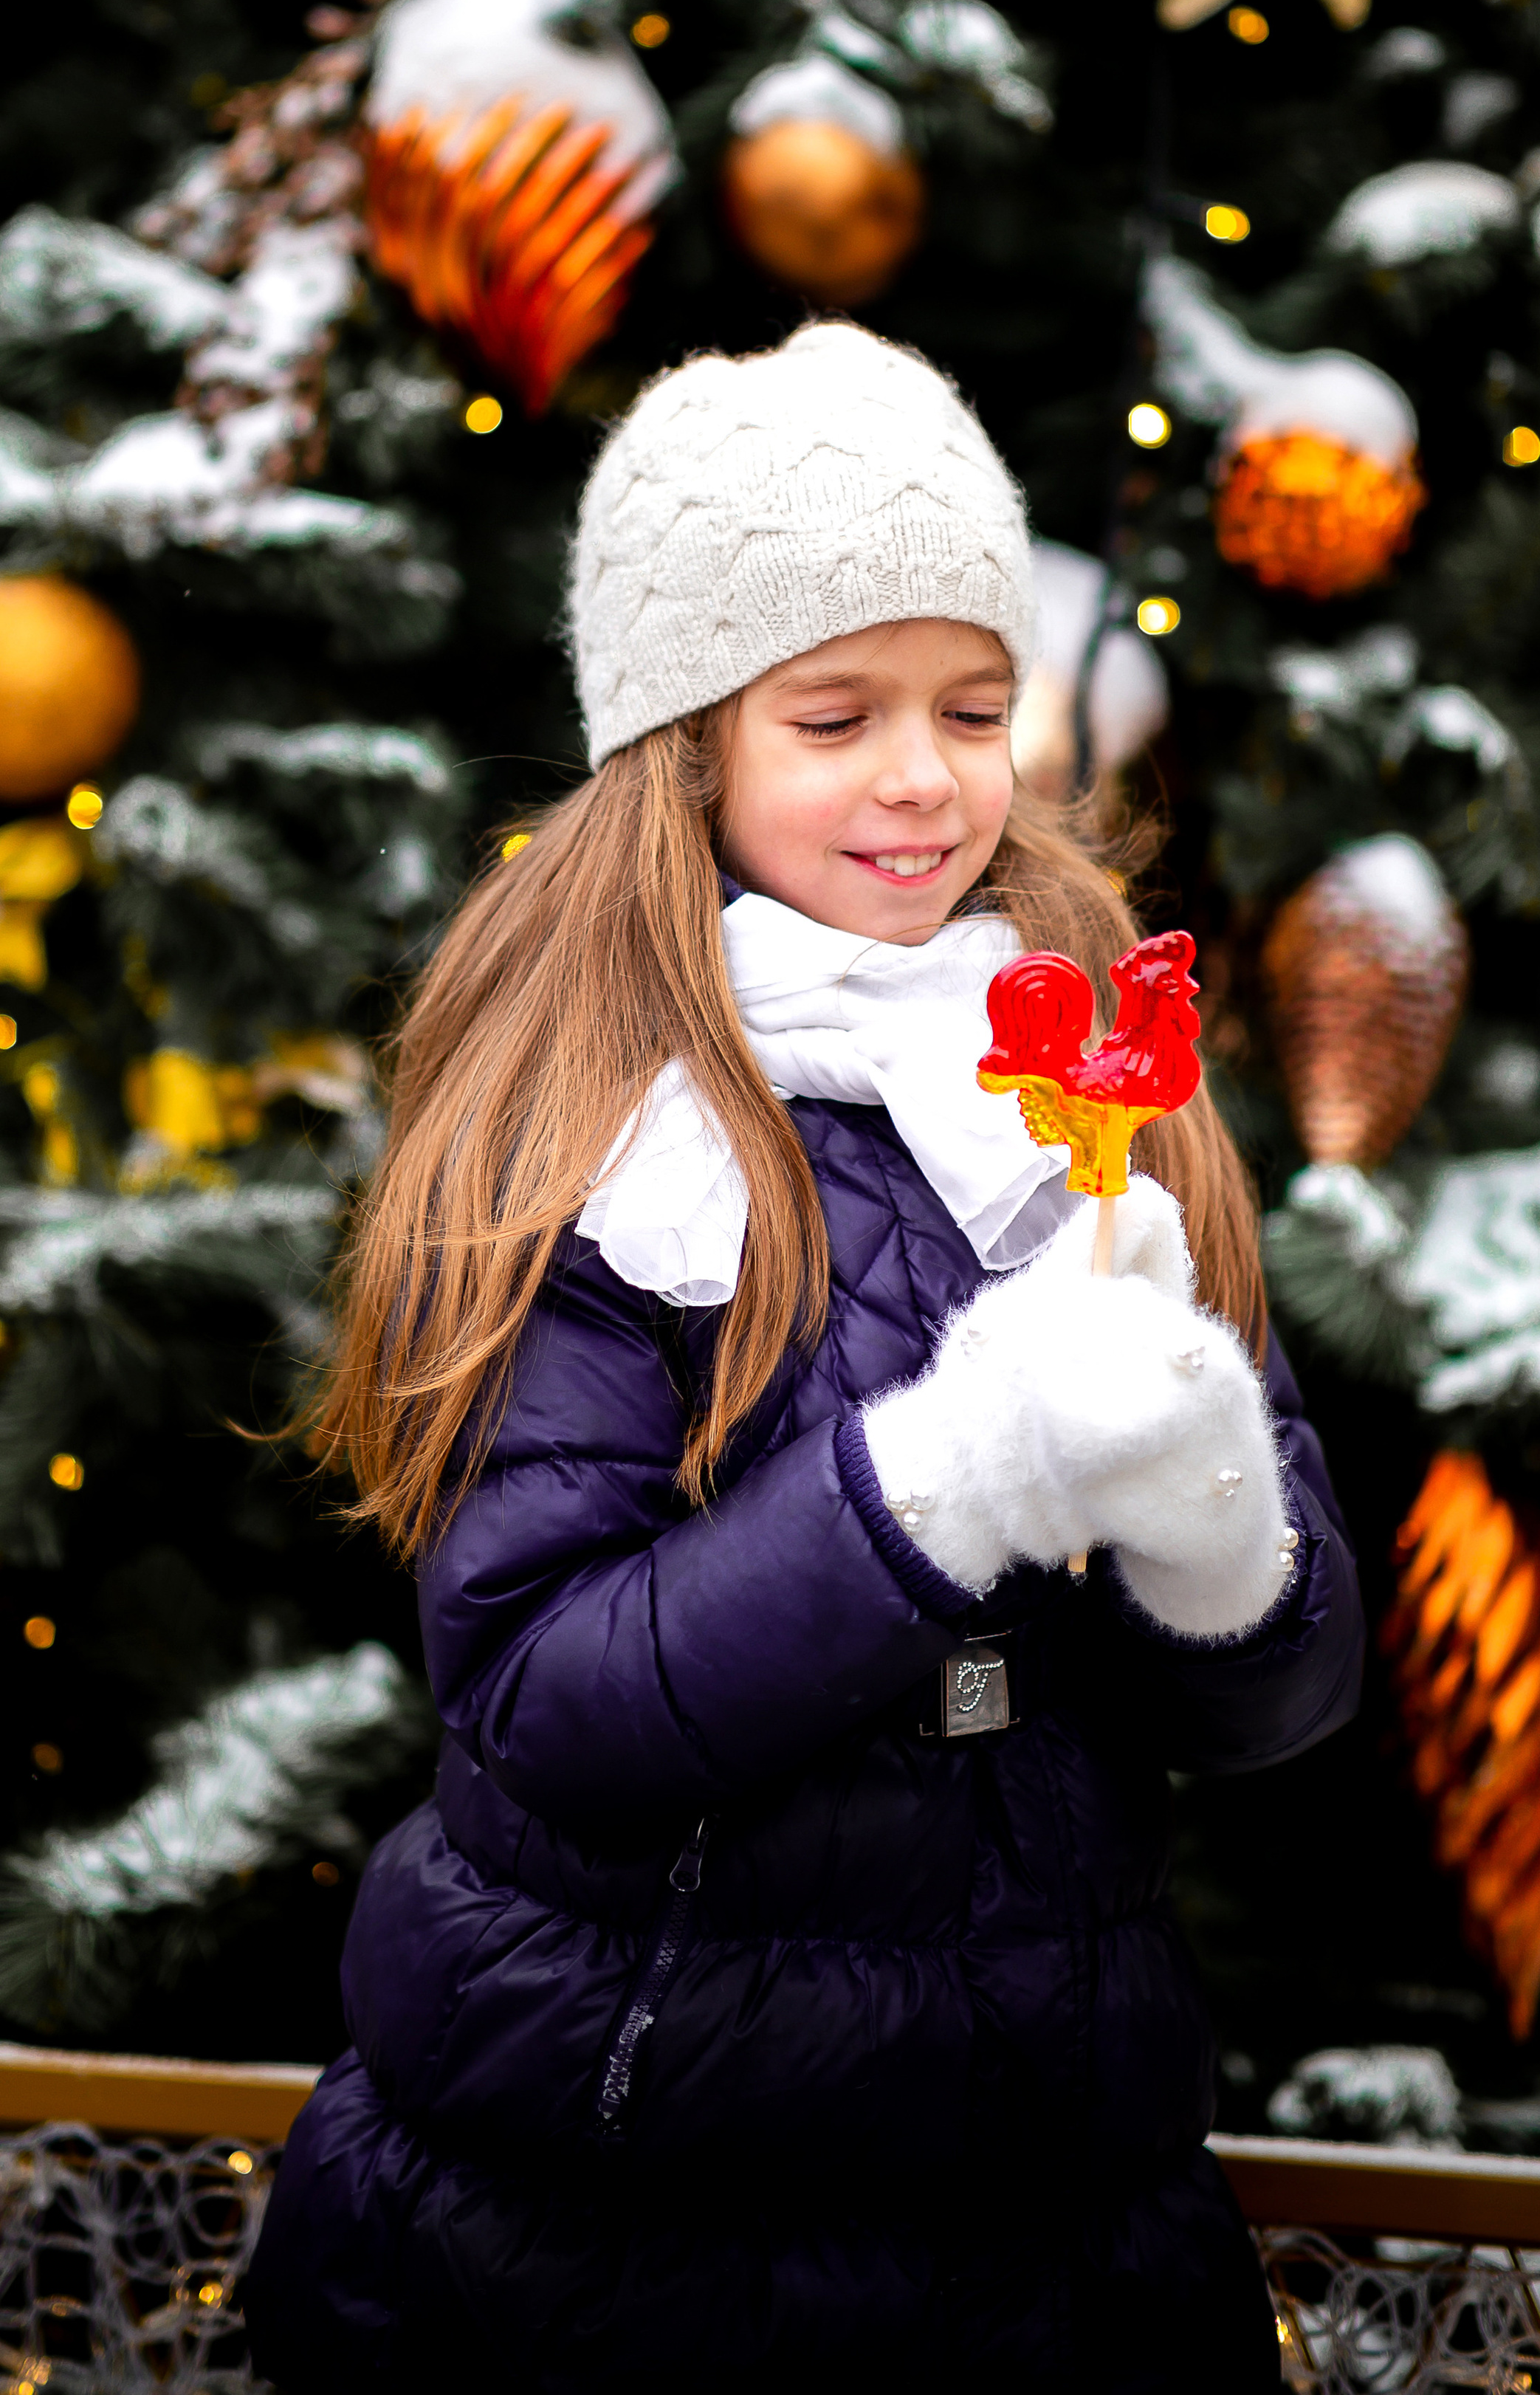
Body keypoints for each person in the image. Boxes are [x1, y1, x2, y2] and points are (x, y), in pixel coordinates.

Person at [245, 320, 1363, 2391]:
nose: (926, 777)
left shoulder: (1094, 1068)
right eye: (835, 715)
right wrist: (956, 1489)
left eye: (972, 704)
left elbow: (1282, 1707)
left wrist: (1220, 1527)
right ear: (688, 745)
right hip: (593, 2229)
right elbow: (544, 1698)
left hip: (1049, 2230)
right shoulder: (595, 1117)